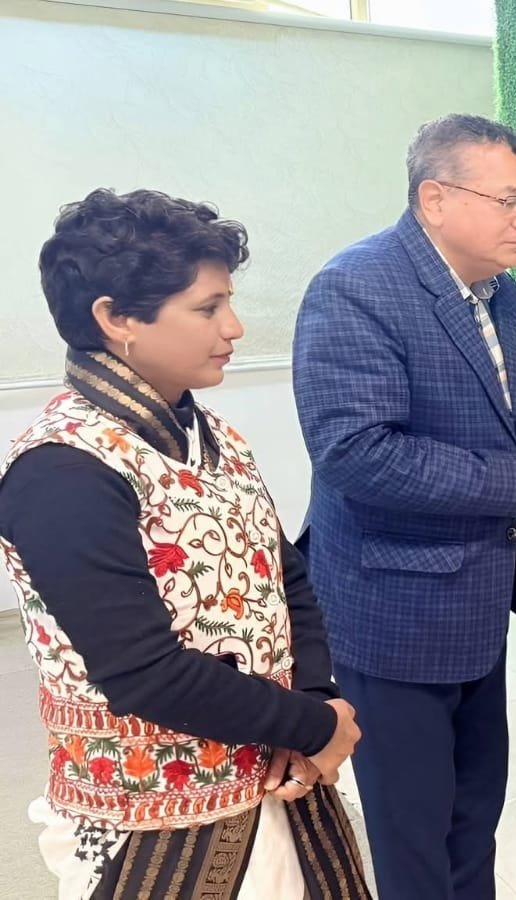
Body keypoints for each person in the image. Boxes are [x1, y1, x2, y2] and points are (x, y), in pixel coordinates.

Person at [0, 189, 367, 899]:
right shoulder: (61, 469)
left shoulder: (215, 436)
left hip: (276, 775)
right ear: (115, 319)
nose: (234, 327)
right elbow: (144, 671)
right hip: (153, 815)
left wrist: (318, 694)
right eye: (207, 308)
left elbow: (286, 577)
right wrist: (316, 724)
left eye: (228, 302)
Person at [292, 114, 516, 899]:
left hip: (476, 599)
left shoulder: (501, 294)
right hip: (394, 608)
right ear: (435, 198)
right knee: (414, 834)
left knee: (473, 816)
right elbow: (356, 453)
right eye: (509, 201)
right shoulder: (355, 288)